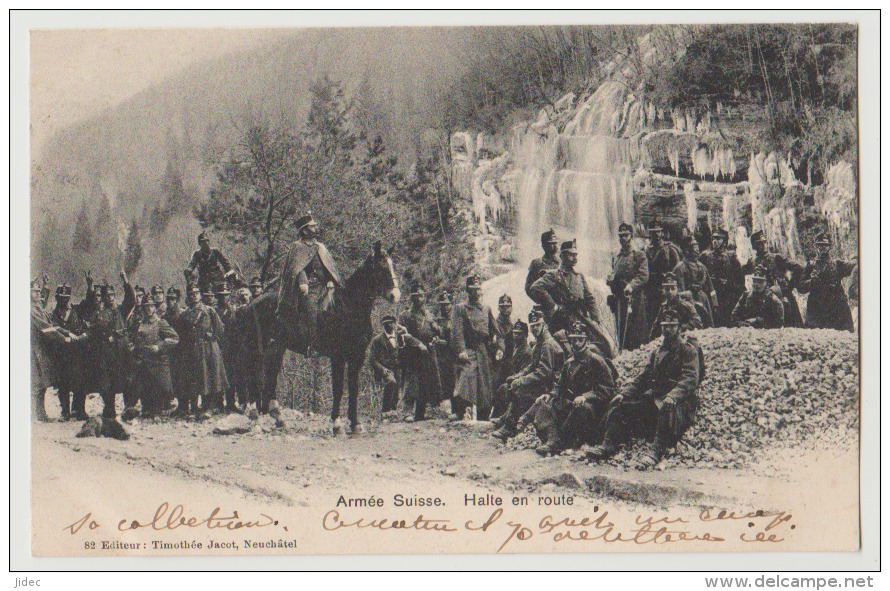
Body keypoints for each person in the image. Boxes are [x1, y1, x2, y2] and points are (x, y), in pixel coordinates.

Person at [586, 309, 702, 469]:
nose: (667, 329)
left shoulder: (687, 350)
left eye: (671, 326)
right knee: (623, 406)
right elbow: (643, 378)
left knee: (666, 409)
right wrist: (624, 394)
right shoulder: (658, 351)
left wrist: (673, 396)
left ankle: (656, 451)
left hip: (680, 401)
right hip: (657, 396)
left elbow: (690, 379)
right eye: (664, 326)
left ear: (679, 328)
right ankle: (609, 444)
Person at [521, 321, 617, 456]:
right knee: (545, 404)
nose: (576, 343)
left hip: (593, 408)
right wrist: (550, 395)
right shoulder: (569, 363)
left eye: (580, 340)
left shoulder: (596, 361)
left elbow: (608, 388)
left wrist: (586, 396)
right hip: (572, 404)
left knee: (581, 408)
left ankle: (566, 442)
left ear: (586, 341)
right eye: (573, 340)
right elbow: (561, 387)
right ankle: (553, 439)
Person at [529, 239, 615, 359]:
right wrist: (553, 305)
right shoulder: (554, 275)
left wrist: (595, 320)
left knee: (603, 343)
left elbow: (590, 299)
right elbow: (535, 288)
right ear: (562, 256)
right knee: (565, 350)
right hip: (562, 319)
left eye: (576, 255)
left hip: (580, 317)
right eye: (571, 254)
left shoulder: (579, 276)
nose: (575, 258)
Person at [491, 308, 565, 442]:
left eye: (538, 325)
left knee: (520, 390)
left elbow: (544, 372)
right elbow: (532, 366)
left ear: (544, 326)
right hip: (543, 382)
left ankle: (510, 426)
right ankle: (506, 418)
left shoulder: (548, 344)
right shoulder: (540, 343)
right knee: (514, 386)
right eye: (533, 326)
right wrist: (519, 376)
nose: (535, 329)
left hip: (551, 387)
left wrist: (522, 381)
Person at [276, 211, 342, 355]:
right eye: (312, 226)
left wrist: (331, 280)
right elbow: (296, 268)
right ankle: (312, 346)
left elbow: (329, 268)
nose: (315, 228)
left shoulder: (321, 247)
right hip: (309, 287)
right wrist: (303, 281)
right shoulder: (297, 246)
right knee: (312, 311)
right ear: (305, 230)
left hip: (325, 286)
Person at [177, 284, 229, 419]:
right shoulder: (184, 314)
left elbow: (220, 328)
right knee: (195, 377)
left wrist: (213, 336)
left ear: (200, 295)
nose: (194, 295)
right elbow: (181, 332)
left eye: (196, 293)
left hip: (208, 348)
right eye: (191, 293)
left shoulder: (209, 311)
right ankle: (194, 408)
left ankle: (209, 406)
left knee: (209, 377)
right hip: (192, 349)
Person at [451, 275, 499, 421]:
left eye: (479, 289)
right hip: (469, 349)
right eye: (473, 290)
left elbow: (496, 332)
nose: (477, 293)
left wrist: (499, 348)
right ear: (468, 291)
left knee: (485, 384)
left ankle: (484, 417)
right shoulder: (460, 308)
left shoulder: (486, 309)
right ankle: (460, 411)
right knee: (466, 377)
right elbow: (457, 332)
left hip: (483, 349)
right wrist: (461, 350)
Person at [127, 299, 180, 419]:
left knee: (161, 387)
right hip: (143, 359)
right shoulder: (140, 323)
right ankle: (147, 409)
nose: (148, 309)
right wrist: (133, 346)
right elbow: (133, 337)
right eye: (146, 306)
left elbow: (174, 338)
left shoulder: (160, 322)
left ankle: (160, 410)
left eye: (151, 306)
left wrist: (159, 346)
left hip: (158, 361)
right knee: (144, 386)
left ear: (155, 308)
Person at [398, 284, 444, 422]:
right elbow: (402, 334)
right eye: (416, 295)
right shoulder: (404, 315)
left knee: (426, 382)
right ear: (411, 297)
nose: (420, 298)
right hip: (412, 354)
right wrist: (418, 344)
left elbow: (437, 331)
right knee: (411, 382)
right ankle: (407, 412)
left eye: (422, 295)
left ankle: (420, 413)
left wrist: (436, 334)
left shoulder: (429, 315)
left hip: (428, 353)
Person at [92, 279, 136, 419]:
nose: (110, 298)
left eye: (112, 295)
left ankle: (128, 409)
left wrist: (126, 282)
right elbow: (95, 332)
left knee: (126, 380)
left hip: (122, 351)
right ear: (103, 298)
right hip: (106, 352)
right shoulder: (99, 313)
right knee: (107, 383)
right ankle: (109, 409)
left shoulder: (121, 310)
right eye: (107, 295)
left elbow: (131, 299)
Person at [744, 230, 805, 327]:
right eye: (759, 243)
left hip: (782, 296)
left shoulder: (777, 258)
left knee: (791, 326)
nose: (763, 245)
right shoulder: (752, 261)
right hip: (763, 299)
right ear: (754, 246)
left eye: (764, 242)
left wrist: (790, 286)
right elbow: (740, 272)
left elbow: (799, 268)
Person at [798, 234, 856, 332]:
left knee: (842, 332)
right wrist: (812, 281)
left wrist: (857, 257)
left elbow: (852, 266)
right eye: (820, 245)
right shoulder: (811, 266)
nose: (823, 247)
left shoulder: (837, 264)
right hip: (817, 304)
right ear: (816, 247)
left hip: (836, 302)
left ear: (829, 247)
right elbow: (801, 287)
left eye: (825, 245)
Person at [607, 222, 649, 351]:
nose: (622, 238)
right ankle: (622, 352)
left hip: (634, 299)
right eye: (620, 236)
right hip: (620, 298)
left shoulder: (638, 255)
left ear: (631, 236)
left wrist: (631, 285)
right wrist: (609, 280)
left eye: (625, 235)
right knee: (621, 328)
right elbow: (614, 274)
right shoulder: (617, 257)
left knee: (635, 329)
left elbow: (643, 275)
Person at [49, 284, 89, 421]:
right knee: (63, 383)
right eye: (61, 298)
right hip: (62, 354)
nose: (63, 301)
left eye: (66, 298)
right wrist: (67, 333)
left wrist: (89, 287)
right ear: (57, 298)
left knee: (80, 381)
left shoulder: (77, 310)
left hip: (77, 353)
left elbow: (89, 302)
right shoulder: (53, 314)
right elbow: (53, 327)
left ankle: (79, 409)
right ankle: (65, 412)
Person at [31, 279, 65, 421]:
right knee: (38, 382)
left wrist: (45, 286)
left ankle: (40, 414)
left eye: (39, 291)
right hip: (34, 349)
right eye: (35, 291)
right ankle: (39, 415)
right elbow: (45, 326)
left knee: (41, 381)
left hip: (41, 348)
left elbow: (42, 303)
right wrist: (62, 338)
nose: (38, 294)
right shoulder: (31, 309)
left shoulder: (37, 305)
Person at [699, 229, 744, 327]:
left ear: (724, 241)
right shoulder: (705, 256)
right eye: (713, 238)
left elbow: (739, 279)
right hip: (710, 293)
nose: (715, 241)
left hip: (727, 295)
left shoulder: (731, 258)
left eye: (718, 239)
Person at [644, 220, 682, 333]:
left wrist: (669, 278)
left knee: (667, 313)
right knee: (651, 314)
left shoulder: (669, 249)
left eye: (658, 232)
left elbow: (677, 268)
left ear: (661, 233)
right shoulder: (647, 250)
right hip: (651, 287)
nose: (655, 235)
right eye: (653, 232)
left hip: (666, 285)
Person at [672, 236, 718, 328]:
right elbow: (680, 290)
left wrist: (714, 302)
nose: (697, 250)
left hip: (704, 300)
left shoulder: (702, 266)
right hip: (690, 302)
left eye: (697, 247)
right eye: (694, 247)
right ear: (687, 250)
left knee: (707, 326)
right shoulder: (680, 267)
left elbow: (710, 286)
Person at [367, 315, 405, 413]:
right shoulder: (377, 340)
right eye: (387, 324)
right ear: (384, 326)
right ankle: (385, 411)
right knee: (391, 382)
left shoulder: (400, 337)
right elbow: (372, 359)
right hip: (385, 369)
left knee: (396, 390)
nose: (390, 325)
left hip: (398, 368)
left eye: (392, 323)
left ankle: (393, 412)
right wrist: (382, 369)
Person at [649, 272, 702, 341]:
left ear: (678, 289)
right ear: (663, 290)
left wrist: (680, 327)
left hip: (684, 339)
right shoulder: (664, 307)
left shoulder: (686, 305)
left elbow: (698, 322)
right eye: (667, 289)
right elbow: (656, 327)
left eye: (673, 288)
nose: (670, 292)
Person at [214, 282, 242, 413]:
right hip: (217, 347)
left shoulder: (234, 311)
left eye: (225, 295)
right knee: (217, 375)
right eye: (220, 296)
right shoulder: (213, 311)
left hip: (231, 348)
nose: (223, 298)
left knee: (231, 376)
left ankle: (231, 403)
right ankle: (218, 403)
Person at [163, 286, 188, 412]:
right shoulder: (166, 314)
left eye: (173, 299)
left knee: (182, 377)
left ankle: (185, 406)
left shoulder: (182, 314)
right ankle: (179, 404)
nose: (170, 302)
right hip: (171, 351)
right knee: (174, 378)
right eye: (168, 299)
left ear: (177, 300)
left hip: (181, 350)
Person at [433, 292, 456, 401]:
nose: (445, 307)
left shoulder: (457, 319)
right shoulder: (437, 321)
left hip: (455, 354)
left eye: (447, 304)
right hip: (442, 355)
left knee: (455, 380)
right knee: (444, 379)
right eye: (443, 304)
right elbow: (434, 336)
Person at [524, 228, 560, 298]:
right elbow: (528, 287)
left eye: (555, 243)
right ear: (544, 245)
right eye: (551, 244)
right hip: (546, 303)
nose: (555, 246)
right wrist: (544, 300)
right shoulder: (537, 263)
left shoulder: (561, 263)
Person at [493, 294, 514, 388]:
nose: (505, 309)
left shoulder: (511, 321)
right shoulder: (496, 323)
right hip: (501, 358)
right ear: (499, 308)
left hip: (512, 355)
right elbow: (499, 337)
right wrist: (501, 350)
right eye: (503, 307)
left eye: (508, 306)